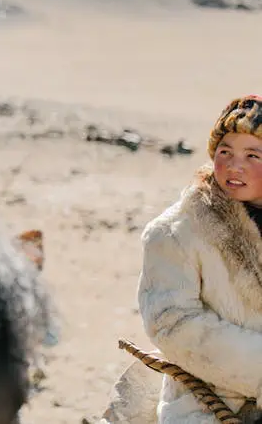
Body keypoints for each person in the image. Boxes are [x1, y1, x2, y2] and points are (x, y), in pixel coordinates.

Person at [133, 94, 262, 423]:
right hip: (209, 403)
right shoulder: (177, 232)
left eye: (253, 155)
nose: (235, 166)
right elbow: (172, 323)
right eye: (225, 152)